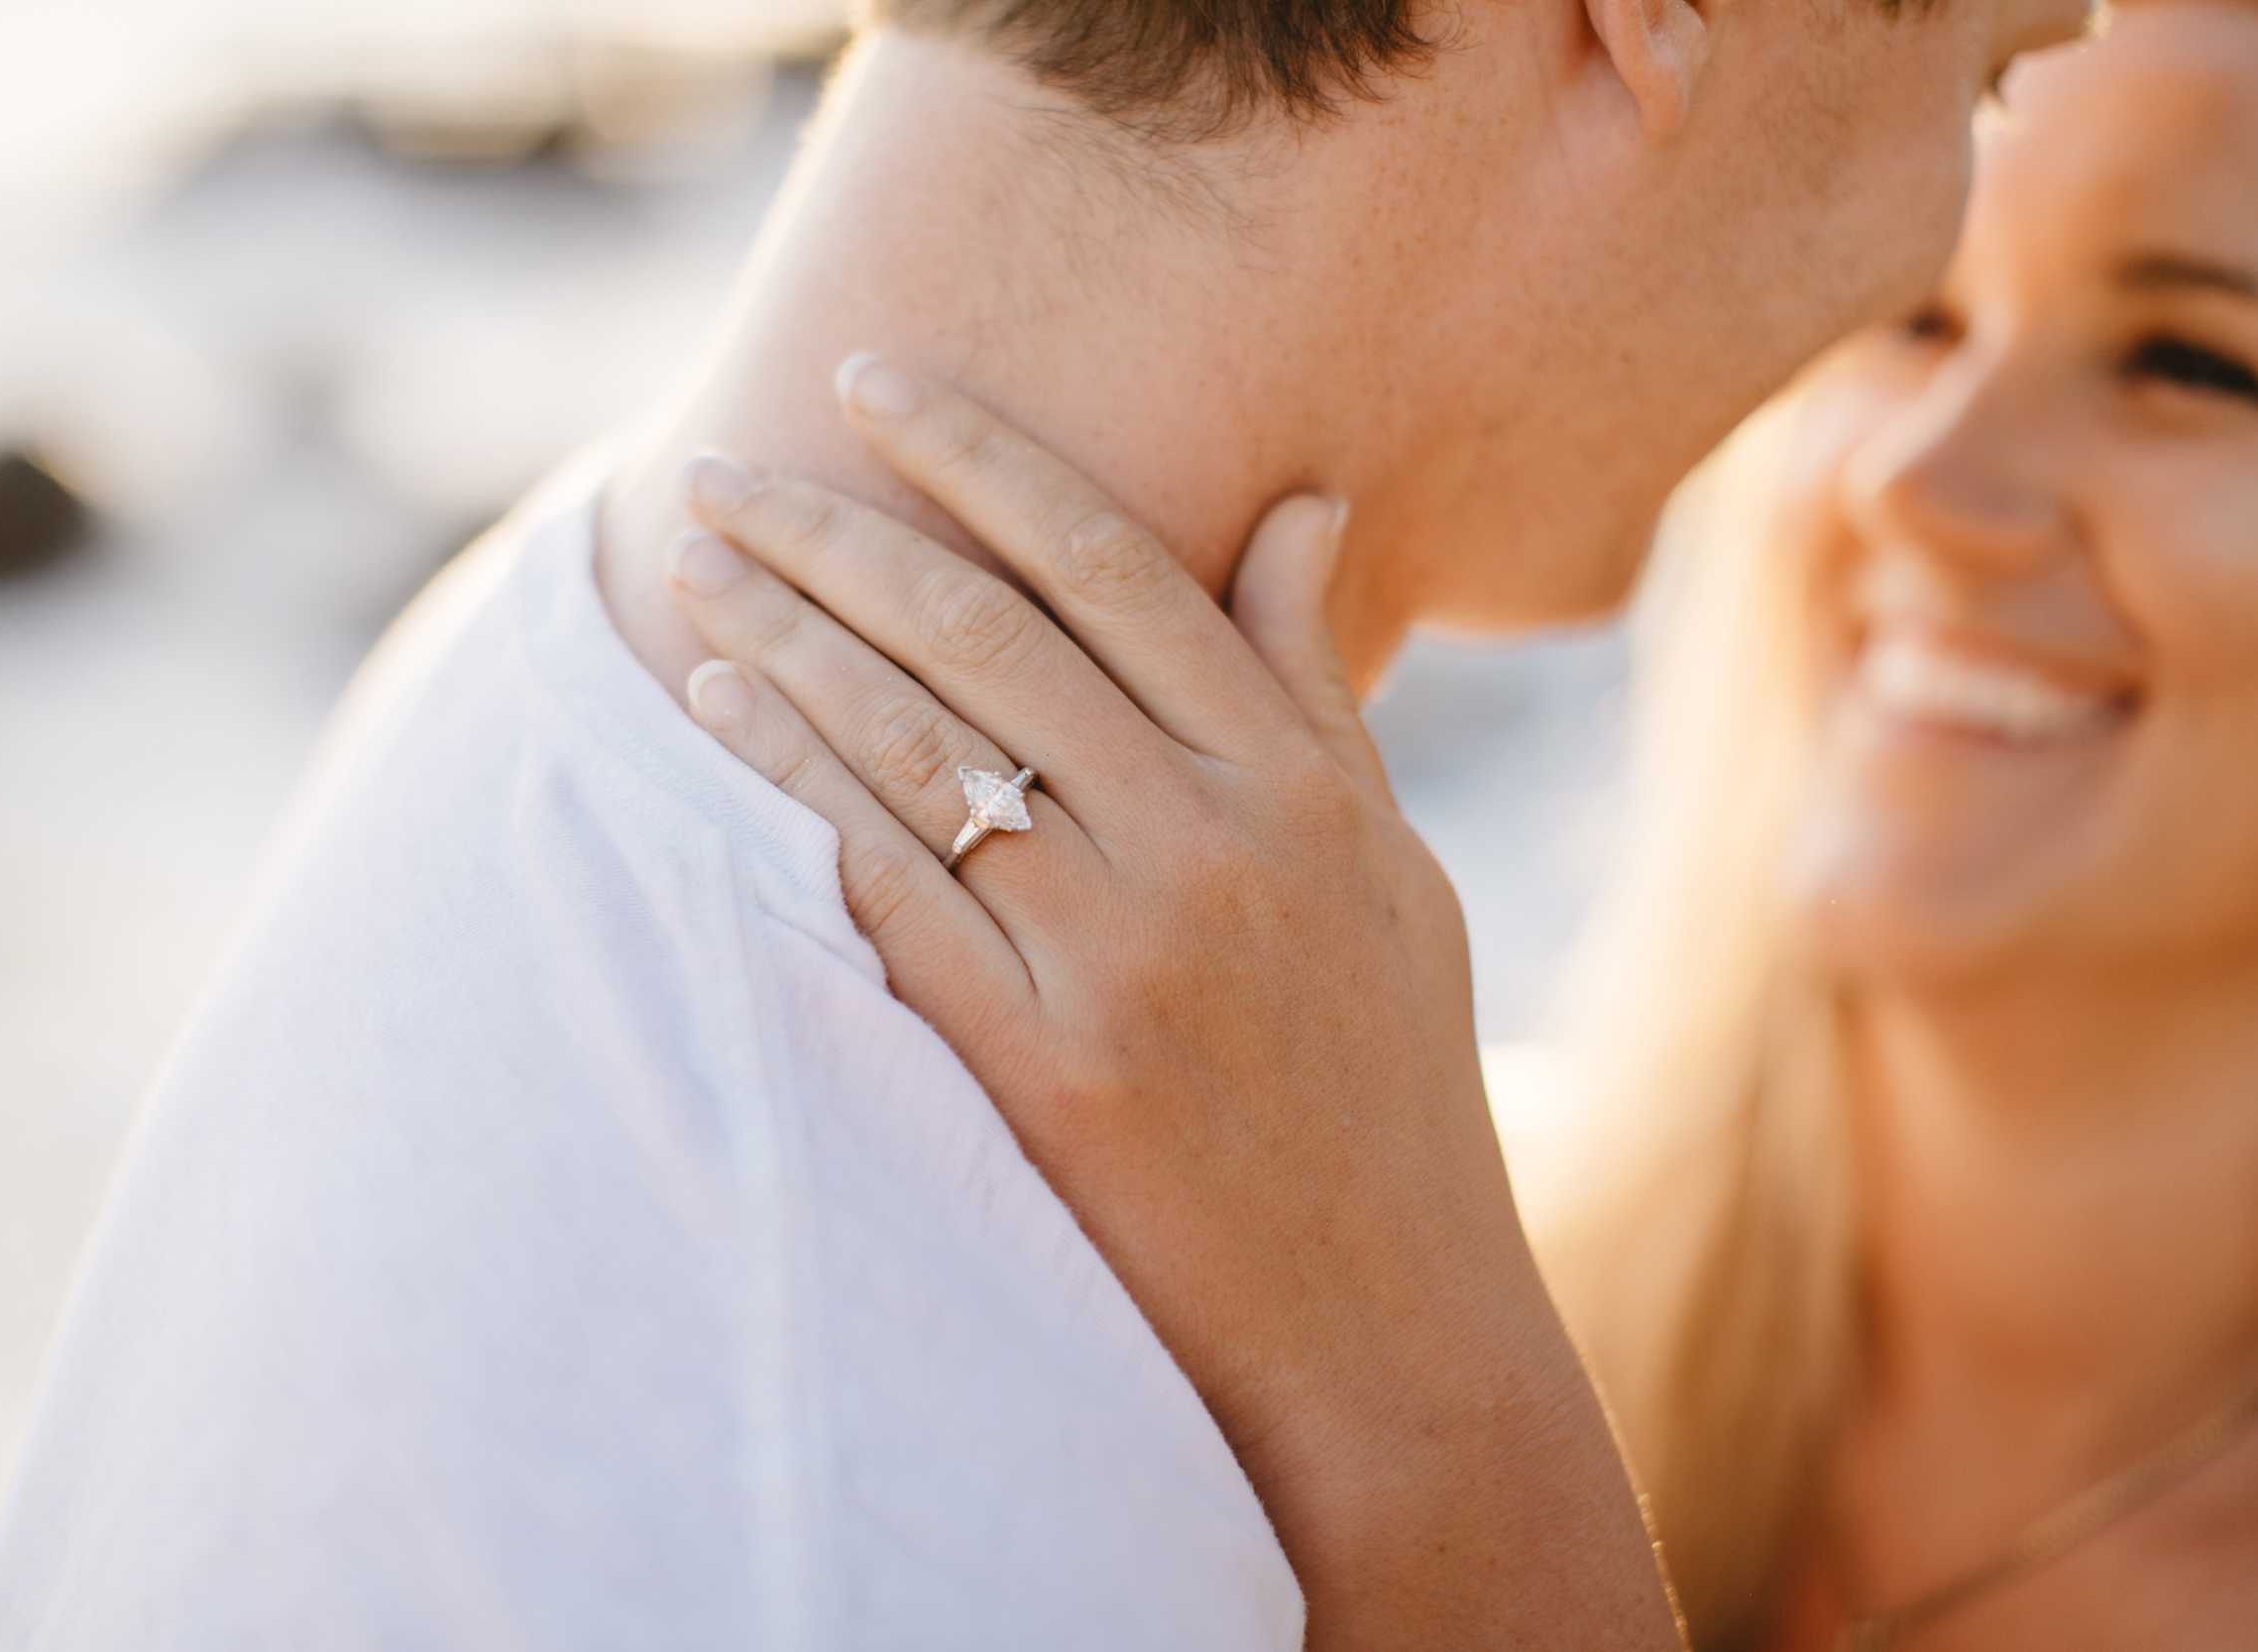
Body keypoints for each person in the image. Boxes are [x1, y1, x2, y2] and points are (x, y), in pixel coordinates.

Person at [0, 0, 2081, 1645]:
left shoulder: (560, 631)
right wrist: (1478, 1468)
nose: (2058, 41)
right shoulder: (872, 1516)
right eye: (1980, 78)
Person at [676, 0, 2258, 1643]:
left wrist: (1438, 1434)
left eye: (2193, 365)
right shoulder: (1346, 1228)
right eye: (1918, 326)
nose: (1920, 483)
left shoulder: (1400, 1321)